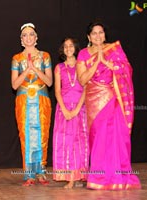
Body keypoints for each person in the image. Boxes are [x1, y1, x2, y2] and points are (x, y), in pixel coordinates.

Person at [76, 21, 141, 190]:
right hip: (94, 101)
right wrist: (98, 61)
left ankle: (118, 177)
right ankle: (99, 177)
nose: (98, 36)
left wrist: (108, 62)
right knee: (98, 138)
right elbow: (82, 80)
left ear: (105, 34)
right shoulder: (83, 54)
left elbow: (126, 69)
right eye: (94, 33)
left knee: (117, 137)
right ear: (88, 37)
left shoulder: (114, 49)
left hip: (113, 98)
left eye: (101, 32)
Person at [11, 23, 53, 186]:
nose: (28, 37)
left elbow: (49, 82)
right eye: (25, 35)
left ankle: (41, 172)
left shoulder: (45, 56)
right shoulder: (17, 58)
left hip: (41, 99)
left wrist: (35, 70)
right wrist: (27, 70)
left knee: (42, 134)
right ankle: (29, 173)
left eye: (31, 34)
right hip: (23, 101)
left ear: (36, 38)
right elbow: (14, 85)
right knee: (26, 135)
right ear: (21, 40)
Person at [52, 37, 89, 189]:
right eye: (65, 46)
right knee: (66, 143)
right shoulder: (59, 67)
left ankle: (80, 176)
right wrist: (65, 110)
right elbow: (57, 91)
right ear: (63, 50)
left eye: (71, 45)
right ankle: (70, 178)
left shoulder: (83, 65)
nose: (68, 48)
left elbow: (86, 88)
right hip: (64, 110)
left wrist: (77, 109)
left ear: (75, 48)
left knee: (80, 142)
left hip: (80, 109)